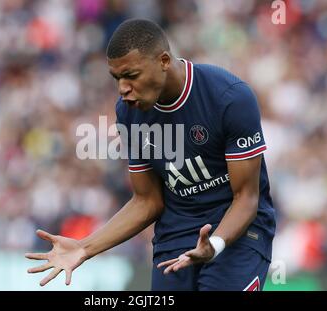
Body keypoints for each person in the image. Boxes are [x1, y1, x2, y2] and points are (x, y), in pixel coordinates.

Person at [25, 19, 276, 291]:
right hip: (176, 236)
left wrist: (214, 245)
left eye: (131, 75)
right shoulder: (128, 112)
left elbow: (246, 197)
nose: (123, 88)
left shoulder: (228, 97)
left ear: (164, 61)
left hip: (237, 235)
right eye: (117, 78)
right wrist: (84, 248)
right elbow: (147, 201)